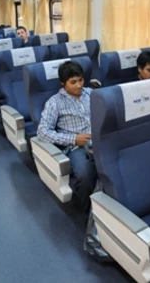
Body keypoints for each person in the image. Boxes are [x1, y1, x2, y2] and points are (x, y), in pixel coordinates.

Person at [37, 61, 97, 212]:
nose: (79, 85)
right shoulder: (54, 102)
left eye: (81, 80)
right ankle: (87, 212)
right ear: (63, 83)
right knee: (84, 175)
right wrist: (73, 139)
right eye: (73, 82)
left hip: (99, 140)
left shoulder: (91, 93)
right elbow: (42, 132)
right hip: (76, 148)